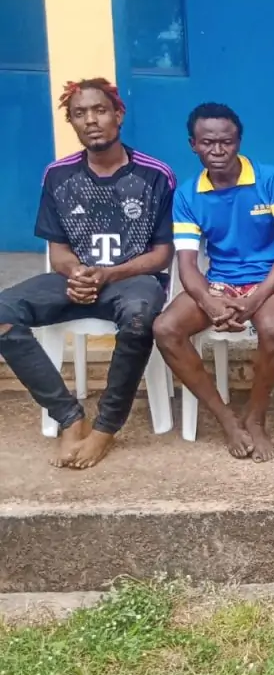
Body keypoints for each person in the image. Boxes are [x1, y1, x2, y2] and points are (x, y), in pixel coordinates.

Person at [0, 78, 174, 469]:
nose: (91, 120)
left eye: (99, 110)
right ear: (72, 122)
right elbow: (58, 250)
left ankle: (105, 427)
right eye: (80, 113)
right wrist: (77, 273)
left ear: (118, 115)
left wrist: (109, 275)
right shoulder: (58, 175)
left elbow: (162, 255)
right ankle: (68, 416)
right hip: (73, 280)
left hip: (132, 280)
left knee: (139, 319)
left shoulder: (155, 175)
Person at [153, 103, 274, 462]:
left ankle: (255, 417)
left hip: (271, 281)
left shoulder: (271, 179)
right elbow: (187, 264)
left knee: (272, 326)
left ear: (239, 141)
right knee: (165, 328)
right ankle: (226, 419)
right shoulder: (188, 195)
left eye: (227, 142)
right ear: (193, 144)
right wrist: (210, 303)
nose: (218, 150)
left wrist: (255, 299)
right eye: (208, 143)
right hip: (221, 283)